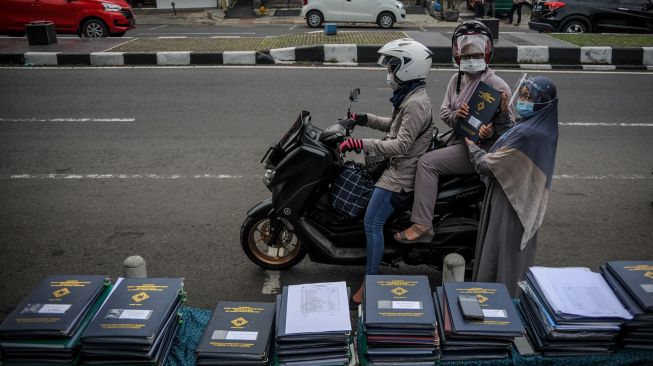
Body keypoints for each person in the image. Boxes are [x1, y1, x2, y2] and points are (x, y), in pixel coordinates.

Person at [394, 20, 514, 244]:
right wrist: (458, 115)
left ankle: (422, 224)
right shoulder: (456, 80)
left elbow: (510, 132)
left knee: (427, 163)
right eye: (466, 55)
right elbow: (444, 112)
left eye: (476, 55)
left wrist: (490, 132)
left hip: (477, 149)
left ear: (487, 53)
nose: (471, 59)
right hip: (456, 139)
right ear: (457, 54)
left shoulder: (498, 86)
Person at [341, 38, 434, 305]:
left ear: (408, 67)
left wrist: (360, 143)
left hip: (400, 175)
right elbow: (393, 127)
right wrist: (363, 119)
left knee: (372, 223)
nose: (389, 72)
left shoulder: (416, 103)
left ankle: (370, 284)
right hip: (395, 167)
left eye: (393, 65)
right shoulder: (410, 95)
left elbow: (401, 144)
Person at [466, 76, 559, 297]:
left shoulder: (528, 134)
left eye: (529, 97)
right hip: (518, 196)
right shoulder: (540, 126)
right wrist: (503, 112)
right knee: (507, 254)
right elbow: (509, 135)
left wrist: (471, 146)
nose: (523, 101)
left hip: (511, 202)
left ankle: (498, 304)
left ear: (543, 102)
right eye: (523, 95)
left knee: (500, 254)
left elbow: (489, 164)